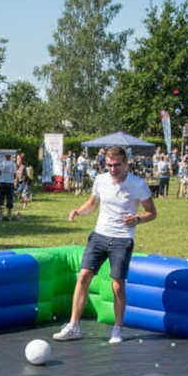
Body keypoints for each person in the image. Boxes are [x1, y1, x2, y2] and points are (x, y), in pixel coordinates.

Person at [54, 146, 156, 345]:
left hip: (122, 239)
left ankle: (118, 329)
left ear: (126, 164)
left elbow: (152, 213)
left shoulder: (138, 184)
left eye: (117, 165)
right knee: (84, 275)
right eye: (109, 165)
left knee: (117, 284)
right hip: (99, 235)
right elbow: (93, 203)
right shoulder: (100, 180)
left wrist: (137, 219)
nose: (112, 169)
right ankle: (73, 326)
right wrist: (78, 211)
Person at [0, 154, 15, 221]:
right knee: (8, 199)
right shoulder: (12, 164)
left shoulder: (0, 165)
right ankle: (7, 216)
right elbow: (14, 174)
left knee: (2, 200)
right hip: (7, 182)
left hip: (3, 182)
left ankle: (1, 216)